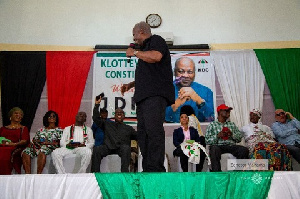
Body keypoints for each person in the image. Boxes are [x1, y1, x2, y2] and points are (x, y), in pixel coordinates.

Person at [121, 21, 174, 172]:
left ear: (142, 31)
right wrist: (131, 85)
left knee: (154, 131)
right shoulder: (144, 51)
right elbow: (148, 76)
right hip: (143, 98)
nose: (134, 39)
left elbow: (157, 56)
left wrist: (135, 53)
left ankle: (156, 168)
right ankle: (147, 167)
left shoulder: (156, 40)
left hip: (155, 97)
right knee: (143, 135)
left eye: (134, 35)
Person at [91, 97, 137, 172]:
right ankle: (95, 174)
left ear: (124, 116)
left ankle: (124, 174)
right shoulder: (107, 124)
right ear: (114, 116)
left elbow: (138, 136)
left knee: (126, 148)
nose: (119, 113)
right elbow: (96, 118)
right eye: (117, 113)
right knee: (97, 149)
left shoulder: (128, 128)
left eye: (121, 113)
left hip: (121, 149)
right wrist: (96, 105)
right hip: (108, 147)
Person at [165, 57, 214, 123]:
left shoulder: (206, 91)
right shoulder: (165, 91)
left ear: (194, 73)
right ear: (174, 72)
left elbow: (212, 118)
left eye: (190, 72)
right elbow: (157, 119)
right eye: (181, 71)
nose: (185, 75)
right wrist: (176, 104)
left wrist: (199, 100)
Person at [205, 104, 249, 171]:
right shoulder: (212, 125)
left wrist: (232, 135)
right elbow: (207, 140)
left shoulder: (231, 124)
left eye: (229, 111)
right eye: (226, 110)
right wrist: (218, 136)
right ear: (220, 112)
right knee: (214, 149)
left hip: (231, 146)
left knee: (244, 150)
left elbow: (239, 138)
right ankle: (217, 174)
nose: (229, 112)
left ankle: (238, 172)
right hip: (218, 146)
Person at [173, 108, 206, 172]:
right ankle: (185, 172)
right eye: (182, 117)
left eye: (186, 117)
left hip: (192, 147)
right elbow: (175, 142)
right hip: (182, 147)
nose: (184, 118)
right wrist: (184, 144)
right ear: (180, 120)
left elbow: (198, 140)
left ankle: (198, 172)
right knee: (183, 151)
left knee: (201, 152)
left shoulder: (193, 130)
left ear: (188, 120)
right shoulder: (176, 131)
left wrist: (191, 143)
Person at [0, 107, 30, 175]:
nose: (18, 115)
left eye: (20, 114)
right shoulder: (3, 129)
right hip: (2, 146)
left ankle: (6, 174)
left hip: (16, 147)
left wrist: (13, 144)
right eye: (16, 113)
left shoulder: (23, 128)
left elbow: (24, 141)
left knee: (6, 153)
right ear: (11, 116)